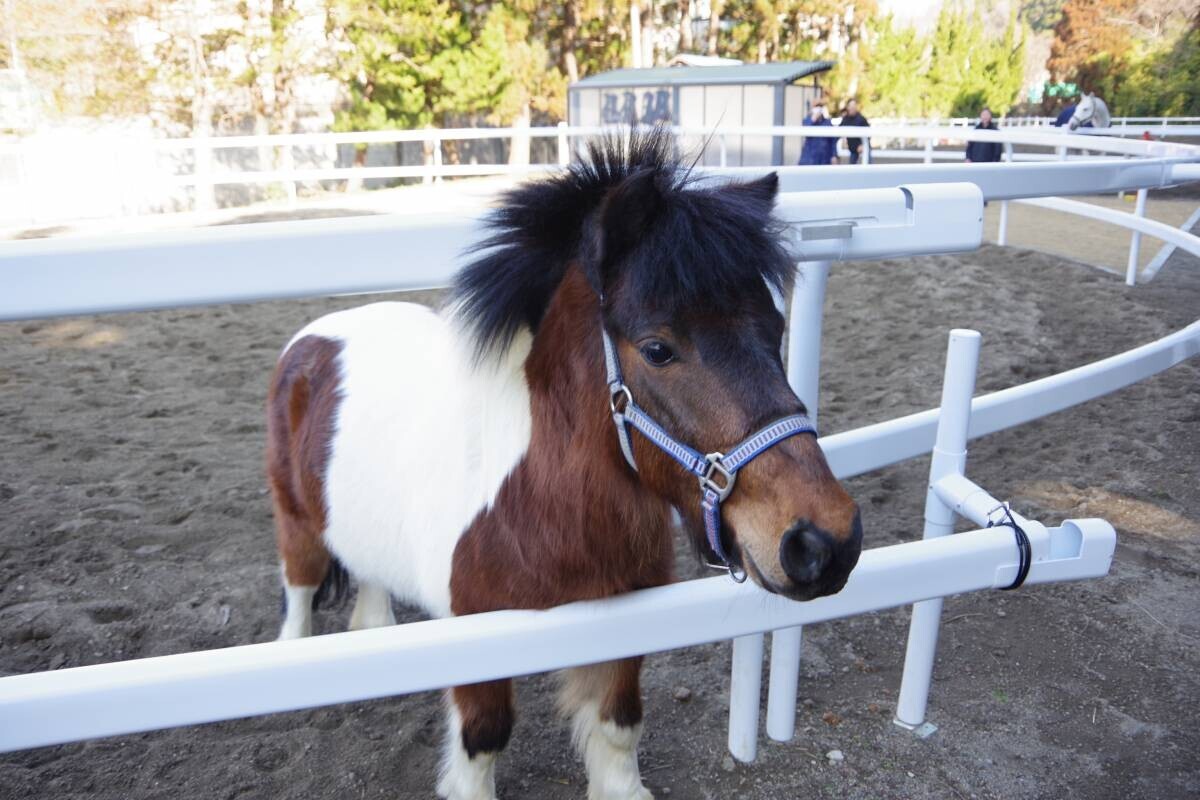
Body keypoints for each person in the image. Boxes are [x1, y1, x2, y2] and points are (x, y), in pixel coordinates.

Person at [798, 101, 838, 166]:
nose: (818, 110)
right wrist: (813, 119)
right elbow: (806, 131)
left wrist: (834, 155)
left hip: (824, 158)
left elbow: (833, 140)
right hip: (810, 158)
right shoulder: (807, 120)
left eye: (820, 108)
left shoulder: (827, 122)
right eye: (816, 108)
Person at [839, 99, 870, 164]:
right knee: (852, 167)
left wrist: (862, 145)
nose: (853, 108)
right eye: (851, 106)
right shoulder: (845, 119)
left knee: (867, 164)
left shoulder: (861, 119)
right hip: (852, 149)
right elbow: (839, 130)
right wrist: (844, 139)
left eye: (854, 106)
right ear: (848, 107)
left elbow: (868, 133)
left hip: (862, 147)